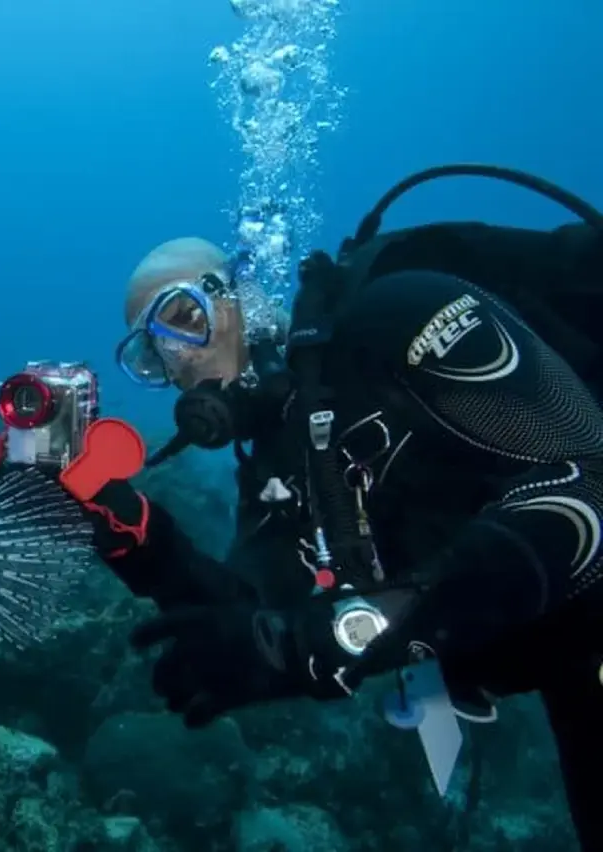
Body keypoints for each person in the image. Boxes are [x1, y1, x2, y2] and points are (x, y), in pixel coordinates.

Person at [105, 164, 603, 849]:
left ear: (243, 291)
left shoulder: (399, 314)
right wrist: (133, 538)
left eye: (183, 318)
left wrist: (333, 639)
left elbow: (591, 488)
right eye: (151, 354)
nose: (176, 360)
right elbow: (251, 616)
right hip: (575, 670)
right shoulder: (286, 472)